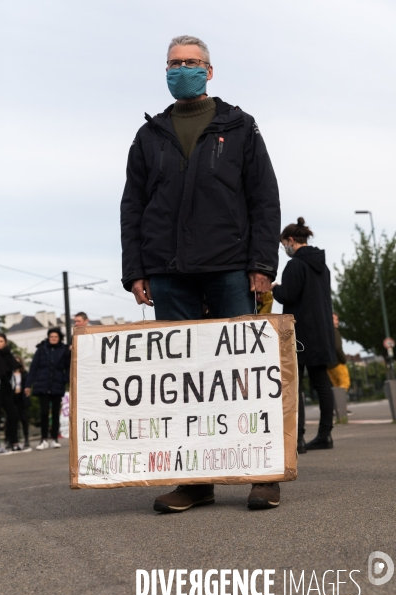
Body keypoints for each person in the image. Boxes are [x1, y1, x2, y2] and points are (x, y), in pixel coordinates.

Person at [121, 35, 280, 512]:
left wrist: (262, 266)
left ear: (209, 71)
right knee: (182, 382)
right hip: (168, 274)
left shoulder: (241, 126)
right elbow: (133, 206)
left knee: (243, 376)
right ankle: (195, 482)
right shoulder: (149, 136)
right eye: (174, 63)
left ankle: (264, 472)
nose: (181, 69)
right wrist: (136, 271)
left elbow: (263, 200)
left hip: (230, 268)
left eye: (191, 63)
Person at [272, 218, 336, 452]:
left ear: (290, 240)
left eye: (283, 244)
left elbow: (287, 295)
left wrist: (275, 288)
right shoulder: (322, 266)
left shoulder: (296, 266)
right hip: (321, 332)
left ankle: (297, 438)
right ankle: (325, 435)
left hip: (300, 334)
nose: (285, 249)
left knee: (294, 385)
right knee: (322, 384)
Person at [25, 327, 70, 450]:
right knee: (44, 413)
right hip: (43, 385)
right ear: (48, 337)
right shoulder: (41, 349)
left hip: (57, 385)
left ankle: (54, 438)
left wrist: (64, 379)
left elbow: (69, 367)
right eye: (51, 337)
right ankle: (43, 439)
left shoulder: (64, 350)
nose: (53, 339)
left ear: (59, 338)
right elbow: (34, 367)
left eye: (56, 337)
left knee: (55, 413)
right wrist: (28, 384)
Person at [0, 333, 21, 454]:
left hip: (6, 389)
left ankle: (14, 442)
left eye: (1, 341)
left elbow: (14, 369)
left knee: (13, 415)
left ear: (5, 342)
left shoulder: (8, 355)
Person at [327, 313, 351, 390]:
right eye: (336, 319)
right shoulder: (335, 332)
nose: (338, 322)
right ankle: (341, 401)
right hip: (337, 363)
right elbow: (337, 347)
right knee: (345, 383)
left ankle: (337, 402)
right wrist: (343, 360)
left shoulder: (325, 333)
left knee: (336, 387)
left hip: (328, 365)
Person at [12, 356, 31, 450]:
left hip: (21, 398)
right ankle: (12, 440)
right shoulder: (9, 374)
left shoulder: (24, 373)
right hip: (12, 398)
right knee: (12, 420)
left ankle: (26, 438)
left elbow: (27, 384)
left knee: (23, 418)